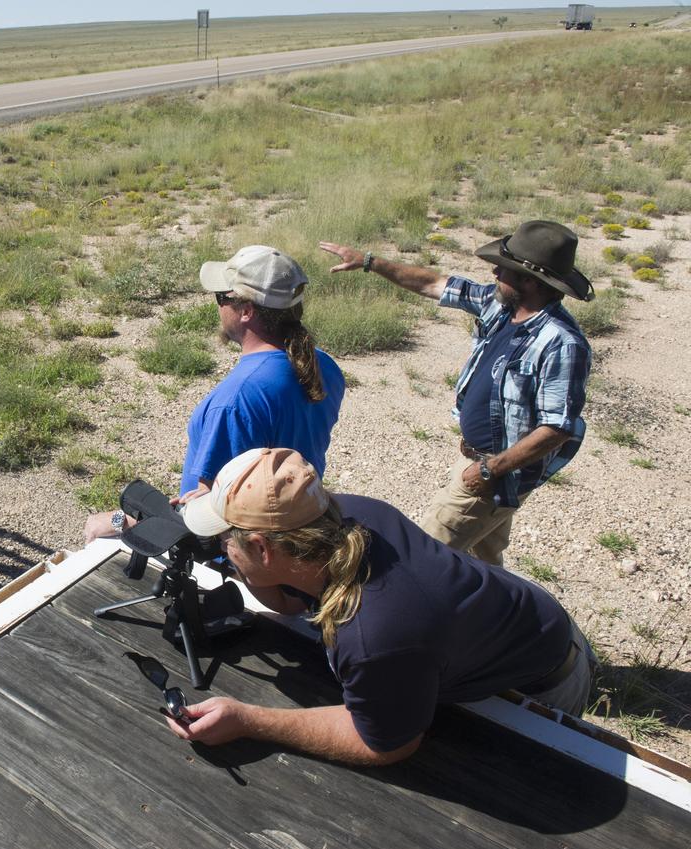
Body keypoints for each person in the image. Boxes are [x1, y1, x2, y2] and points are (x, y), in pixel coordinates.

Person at [168, 447, 596, 766]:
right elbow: (287, 600)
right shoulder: (346, 517)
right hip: (515, 619)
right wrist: (247, 566)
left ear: (262, 548)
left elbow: (386, 742)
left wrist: (249, 720)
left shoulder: (374, 631)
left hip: (540, 680)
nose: (221, 548)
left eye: (226, 539)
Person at [319, 221, 593, 565]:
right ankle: (498, 617)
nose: (494, 271)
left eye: (504, 268)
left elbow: (557, 428)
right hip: (479, 463)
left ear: (529, 281)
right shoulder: (501, 307)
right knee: (484, 564)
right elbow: (433, 283)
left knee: (420, 560)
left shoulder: (561, 343)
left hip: (494, 475)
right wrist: (371, 262)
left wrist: (489, 470)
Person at [83, 246, 345, 543]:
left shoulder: (236, 401)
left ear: (246, 312)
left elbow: (210, 526)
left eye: (222, 297)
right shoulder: (321, 364)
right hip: (294, 521)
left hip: (231, 553)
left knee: (101, 525)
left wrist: (124, 523)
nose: (218, 306)